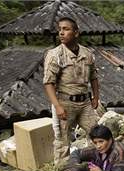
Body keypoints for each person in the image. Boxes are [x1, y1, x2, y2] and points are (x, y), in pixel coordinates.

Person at [43, 16, 100, 163]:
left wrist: (96, 97)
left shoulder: (87, 54)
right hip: (65, 103)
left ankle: (92, 166)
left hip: (85, 103)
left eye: (66, 29)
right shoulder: (55, 55)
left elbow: (94, 77)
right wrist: (57, 106)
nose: (61, 33)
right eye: (60, 29)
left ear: (76, 33)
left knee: (96, 133)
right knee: (62, 141)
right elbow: (48, 83)